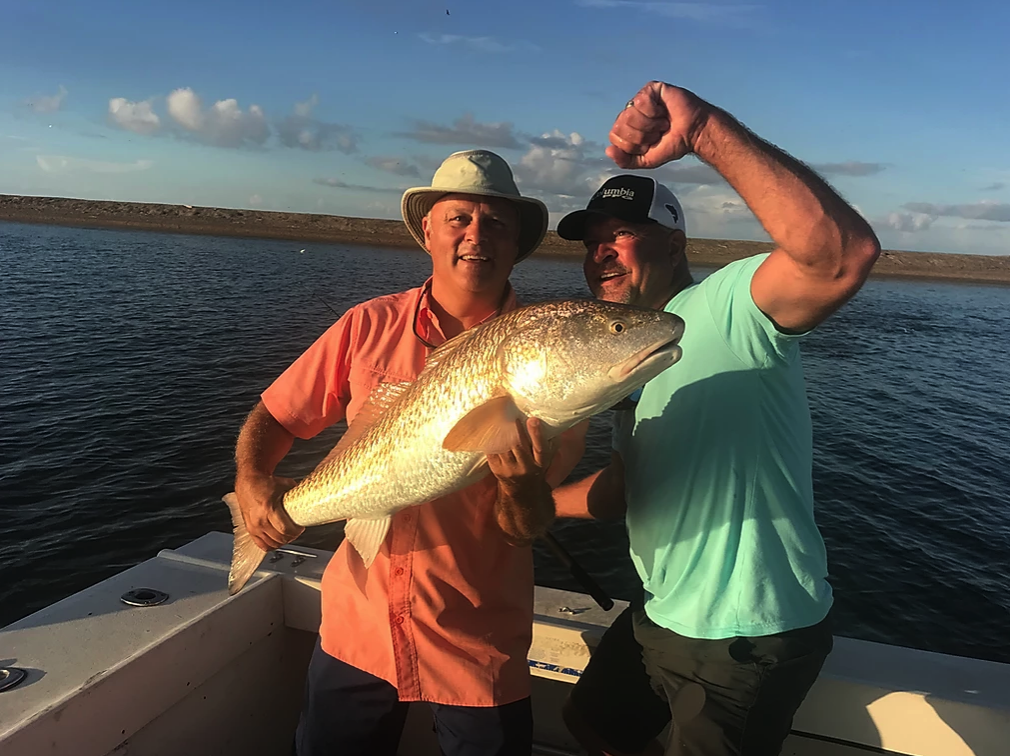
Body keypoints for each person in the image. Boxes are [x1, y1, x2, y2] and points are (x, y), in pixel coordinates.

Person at [553, 81, 881, 756]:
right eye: (591, 242)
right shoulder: (625, 350)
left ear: (676, 245)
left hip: (742, 635)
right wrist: (530, 499)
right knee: (590, 724)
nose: (601, 252)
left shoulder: (726, 306)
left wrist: (703, 131)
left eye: (623, 235)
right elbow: (624, 488)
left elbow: (840, 257)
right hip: (661, 614)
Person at [231, 149, 585, 756]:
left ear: (516, 241)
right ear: (429, 230)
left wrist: (522, 486)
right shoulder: (366, 325)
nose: (477, 236)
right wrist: (252, 478)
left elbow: (524, 528)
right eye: (459, 219)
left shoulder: (550, 368)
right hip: (357, 629)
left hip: (475, 643)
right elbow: (276, 413)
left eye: (496, 223)